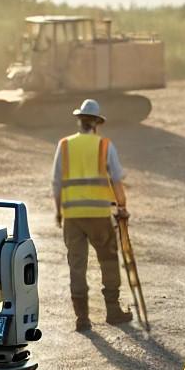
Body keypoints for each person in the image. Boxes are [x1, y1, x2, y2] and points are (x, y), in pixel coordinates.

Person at [51, 98, 132, 331]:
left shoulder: (64, 145)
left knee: (77, 265)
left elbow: (56, 182)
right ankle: (113, 310)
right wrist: (122, 206)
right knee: (107, 259)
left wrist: (59, 212)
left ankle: (82, 318)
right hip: (98, 215)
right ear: (97, 123)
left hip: (72, 216)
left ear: (79, 122)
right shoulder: (105, 145)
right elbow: (116, 179)